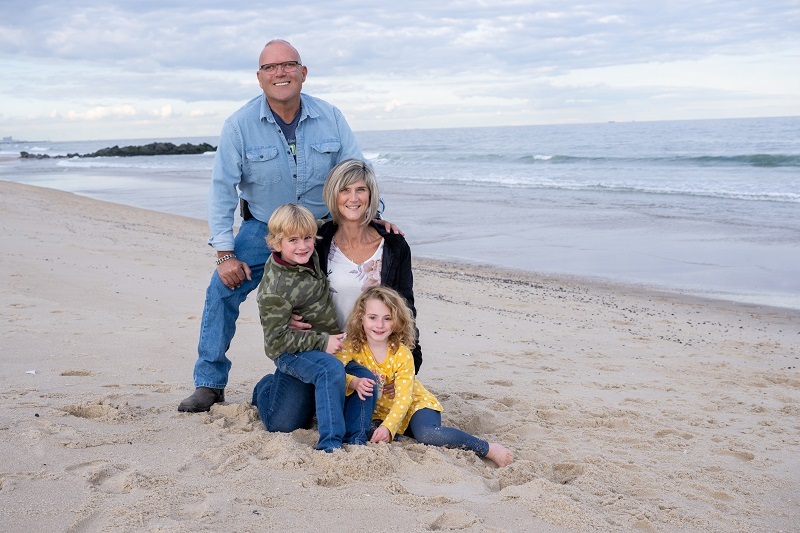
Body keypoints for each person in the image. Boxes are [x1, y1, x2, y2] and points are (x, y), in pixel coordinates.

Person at [179, 38, 365, 412]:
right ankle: (209, 383)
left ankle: (358, 369)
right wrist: (224, 254)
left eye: (288, 64)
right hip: (265, 228)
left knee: (354, 285)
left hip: (323, 227)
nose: (280, 72)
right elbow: (221, 189)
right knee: (221, 290)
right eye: (270, 67)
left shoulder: (331, 117)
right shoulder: (239, 125)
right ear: (260, 77)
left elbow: (356, 171)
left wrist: (373, 216)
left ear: (303, 72)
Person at [335, 286, 514, 467]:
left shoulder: (401, 353)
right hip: (380, 412)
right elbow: (336, 372)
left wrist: (388, 427)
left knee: (428, 434)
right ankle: (408, 433)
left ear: (397, 321)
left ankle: (488, 448)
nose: (379, 325)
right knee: (360, 430)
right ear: (361, 318)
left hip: (415, 406)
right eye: (372, 317)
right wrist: (353, 381)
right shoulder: (351, 345)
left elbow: (404, 399)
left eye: (387, 318)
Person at [250, 204, 377, 452]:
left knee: (366, 378)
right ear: (276, 244)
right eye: (293, 240)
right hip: (292, 352)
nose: (303, 246)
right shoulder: (274, 289)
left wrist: (377, 221)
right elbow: (274, 344)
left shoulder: (310, 251)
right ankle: (329, 444)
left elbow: (334, 222)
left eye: (308, 238)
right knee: (282, 424)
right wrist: (321, 341)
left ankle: (356, 438)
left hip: (326, 348)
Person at [291, 158, 423, 374]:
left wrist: (410, 359)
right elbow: (284, 281)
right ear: (333, 195)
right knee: (288, 398)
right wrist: (288, 317)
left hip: (374, 357)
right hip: (325, 352)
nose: (353, 198)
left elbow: (405, 306)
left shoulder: (393, 245)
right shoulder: (316, 242)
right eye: (345, 190)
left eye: (360, 190)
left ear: (370, 195)